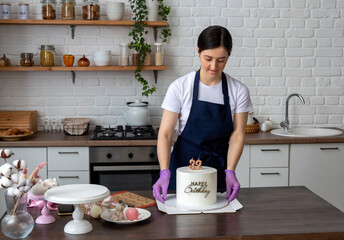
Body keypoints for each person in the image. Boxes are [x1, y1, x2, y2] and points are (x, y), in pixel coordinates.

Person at [152, 25, 254, 204]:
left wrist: (230, 171)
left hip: (218, 170)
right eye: (208, 58)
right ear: (198, 51)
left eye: (221, 60)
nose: (214, 66)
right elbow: (166, 134)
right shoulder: (180, 87)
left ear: (229, 54)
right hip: (182, 169)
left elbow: (238, 135)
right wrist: (164, 171)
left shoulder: (239, 91)